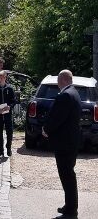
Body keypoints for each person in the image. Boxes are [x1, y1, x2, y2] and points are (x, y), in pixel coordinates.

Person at [42, 70, 81, 218]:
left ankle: (71, 211)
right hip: (71, 141)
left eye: (58, 80)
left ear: (62, 79)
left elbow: (57, 118)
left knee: (67, 176)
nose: (57, 83)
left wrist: (46, 129)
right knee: (68, 175)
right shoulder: (74, 92)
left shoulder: (65, 95)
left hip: (65, 143)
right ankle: (69, 205)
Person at [0, 71, 16, 157]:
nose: (0, 80)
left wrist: (10, 106)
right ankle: (1, 152)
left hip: (8, 114)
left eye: (1, 78)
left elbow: (13, 101)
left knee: (9, 132)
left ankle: (8, 147)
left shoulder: (10, 88)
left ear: (5, 78)